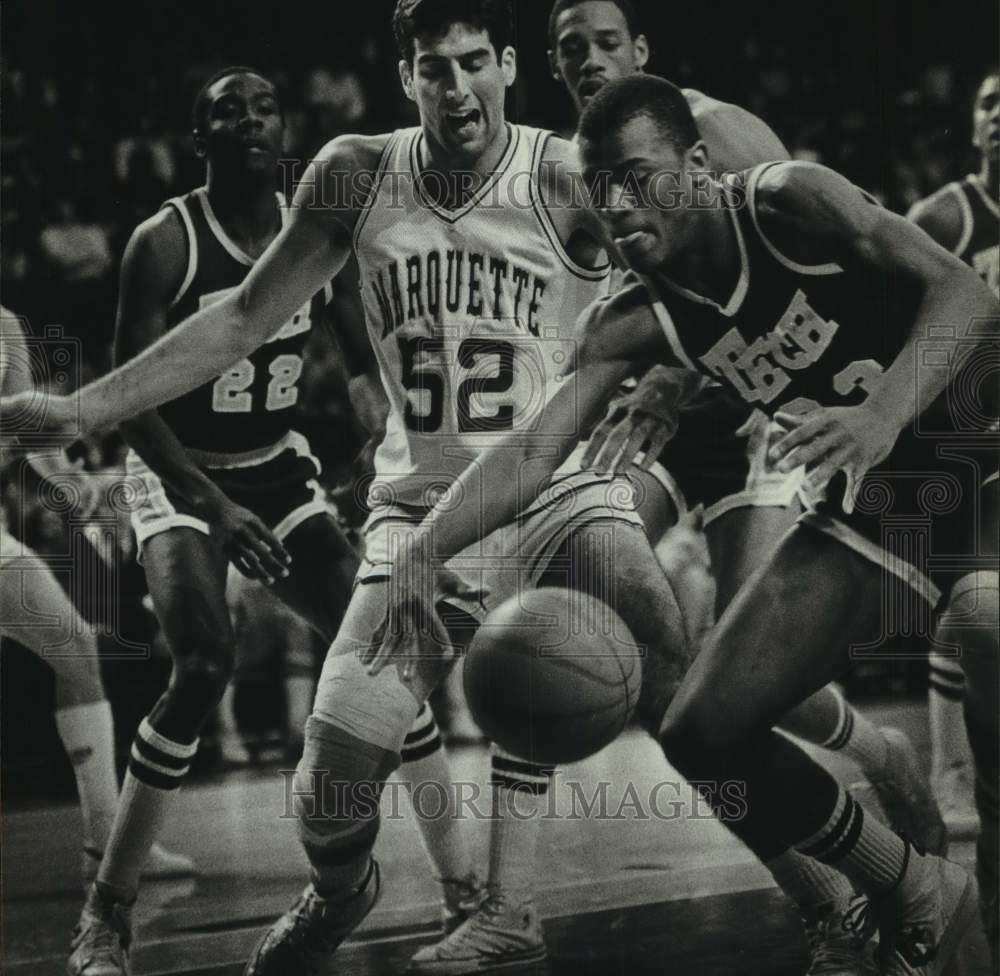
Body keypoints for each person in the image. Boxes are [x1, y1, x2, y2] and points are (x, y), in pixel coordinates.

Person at [0, 6, 691, 973]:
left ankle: (503, 893)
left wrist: (670, 373)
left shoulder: (558, 172)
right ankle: (244, 894)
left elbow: (682, 268)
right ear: (406, 79)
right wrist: (89, 417)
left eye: (473, 63)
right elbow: (237, 322)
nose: (456, 87)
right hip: (303, 492)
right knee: (267, 729)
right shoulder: (314, 190)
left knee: (636, 666)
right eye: (433, 68)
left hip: (475, 484)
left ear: (505, 65)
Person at [368, 74, 998, 974]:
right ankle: (913, 884)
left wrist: (883, 413)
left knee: (988, 639)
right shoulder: (633, 316)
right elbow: (532, 449)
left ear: (698, 165)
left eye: (638, 176)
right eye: (602, 188)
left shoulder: (787, 202)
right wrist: (423, 546)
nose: (619, 205)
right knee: (701, 731)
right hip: (883, 497)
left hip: (979, 442)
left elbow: (966, 292)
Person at [61, 66, 476, 976]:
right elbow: (131, 401)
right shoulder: (163, 244)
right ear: (198, 139)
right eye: (227, 111)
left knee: (383, 653)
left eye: (264, 108)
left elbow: (361, 355)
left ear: (284, 130)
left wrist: (381, 437)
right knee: (203, 661)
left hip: (277, 468)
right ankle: (107, 914)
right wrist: (212, 506)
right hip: (177, 472)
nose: (250, 120)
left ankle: (465, 892)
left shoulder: (314, 225)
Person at [0, 308, 194, 888]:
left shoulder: (5, 322)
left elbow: (25, 418)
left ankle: (106, 842)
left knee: (74, 646)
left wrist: (66, 478)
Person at [907, 65, 999, 962]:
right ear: (972, 128)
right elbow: (886, 315)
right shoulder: (945, 218)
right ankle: (949, 768)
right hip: (970, 445)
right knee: (974, 608)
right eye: (989, 105)